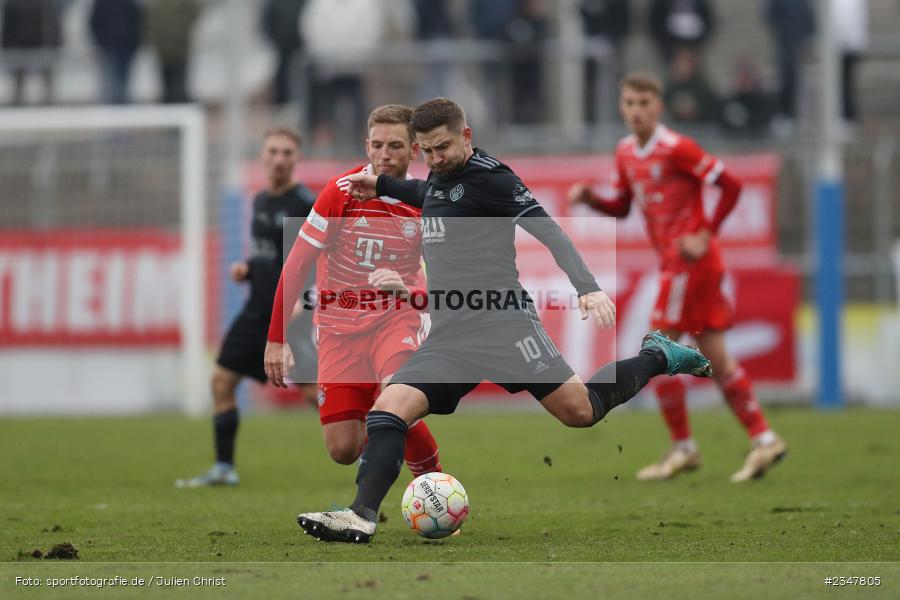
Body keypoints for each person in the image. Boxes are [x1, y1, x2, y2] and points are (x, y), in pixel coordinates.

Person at [291, 98, 712, 543]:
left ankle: (656, 354)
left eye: (443, 148)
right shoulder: (438, 176)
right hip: (451, 336)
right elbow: (430, 195)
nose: (435, 159)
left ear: (466, 136)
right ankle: (361, 515)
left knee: (580, 411)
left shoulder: (495, 179)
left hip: (505, 327)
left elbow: (551, 231)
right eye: (428, 151)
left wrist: (586, 287)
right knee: (388, 410)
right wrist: (380, 185)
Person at [569, 73, 788, 483]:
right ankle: (765, 439)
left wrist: (706, 233)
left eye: (644, 103)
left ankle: (683, 447)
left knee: (657, 348)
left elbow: (731, 185)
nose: (636, 111)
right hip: (681, 266)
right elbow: (621, 206)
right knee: (718, 358)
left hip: (688, 264)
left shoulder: (677, 148)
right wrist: (591, 199)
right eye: (629, 103)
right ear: (622, 106)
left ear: (659, 106)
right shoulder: (626, 152)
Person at [264, 104, 442, 477]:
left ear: (413, 150)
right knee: (343, 448)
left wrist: (409, 291)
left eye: (394, 146)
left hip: (396, 320)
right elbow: (296, 266)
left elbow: (437, 281)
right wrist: (276, 339)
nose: (383, 155)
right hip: (338, 329)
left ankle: (433, 486)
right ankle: (381, 434)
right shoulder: (339, 193)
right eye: (376, 145)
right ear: (367, 145)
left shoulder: (428, 203)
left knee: (396, 400)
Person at [176, 127, 317, 488]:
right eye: (274, 151)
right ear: (263, 156)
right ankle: (224, 467)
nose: (280, 158)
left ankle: (369, 448)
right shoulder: (260, 201)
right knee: (222, 381)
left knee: (317, 395)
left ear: (298, 158)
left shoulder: (305, 204)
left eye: (288, 152)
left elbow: (315, 260)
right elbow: (269, 256)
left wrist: (303, 302)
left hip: (290, 318)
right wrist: (249, 269)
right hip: (256, 311)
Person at [1, 0, 63, 105]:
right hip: (20, 46)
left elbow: (53, 24)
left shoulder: (46, 4)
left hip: (40, 45)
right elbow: (8, 27)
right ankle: (18, 102)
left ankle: (48, 102)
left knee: (46, 76)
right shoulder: (13, 4)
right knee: (18, 78)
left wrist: (55, 44)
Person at [146, 0, 200, 104]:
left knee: (176, 89)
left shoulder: (160, 4)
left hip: (175, 51)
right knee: (172, 89)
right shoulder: (161, 5)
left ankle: (175, 112)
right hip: (170, 51)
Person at [89, 0, 143, 105]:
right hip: (112, 46)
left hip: (126, 46)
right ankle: (112, 109)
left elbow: (138, 20)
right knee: (111, 80)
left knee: (122, 81)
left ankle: (120, 109)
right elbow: (94, 21)